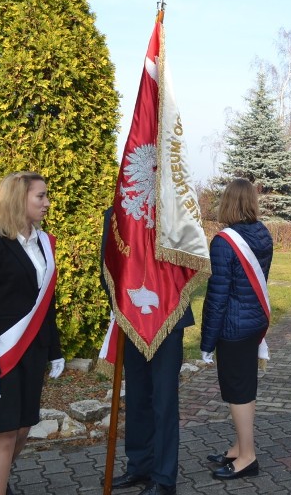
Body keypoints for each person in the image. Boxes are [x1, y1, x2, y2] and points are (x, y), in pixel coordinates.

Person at [0, 171, 64, 495]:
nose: (47, 202)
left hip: (31, 352)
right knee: (3, 435)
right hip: (2, 355)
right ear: (18, 199)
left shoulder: (43, 244)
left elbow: (46, 303)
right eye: (40, 196)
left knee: (22, 429)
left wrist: (55, 350)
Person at [102, 206, 194, 495]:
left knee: (163, 400)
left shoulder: (178, 210)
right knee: (138, 395)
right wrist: (121, 307)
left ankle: (164, 479)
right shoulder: (117, 212)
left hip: (168, 319)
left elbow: (192, 260)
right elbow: (106, 264)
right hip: (132, 319)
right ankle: (140, 466)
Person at [201, 179, 273, 480]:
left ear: (228, 202)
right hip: (254, 322)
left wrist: (206, 342)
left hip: (233, 326)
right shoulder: (263, 233)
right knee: (244, 388)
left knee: (238, 391)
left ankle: (247, 457)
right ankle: (239, 446)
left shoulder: (223, 241)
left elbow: (217, 297)